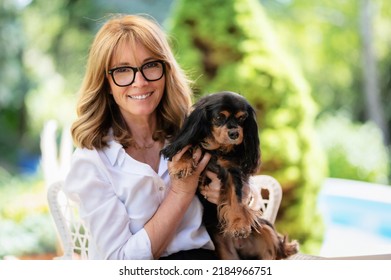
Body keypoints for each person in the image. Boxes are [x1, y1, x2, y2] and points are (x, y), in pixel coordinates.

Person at [64, 14, 262, 260]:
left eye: (150, 65)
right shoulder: (92, 162)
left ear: (166, 70)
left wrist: (238, 191)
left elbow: (244, 182)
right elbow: (120, 263)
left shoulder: (191, 133)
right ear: (106, 82)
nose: (140, 81)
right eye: (123, 70)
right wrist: (180, 192)